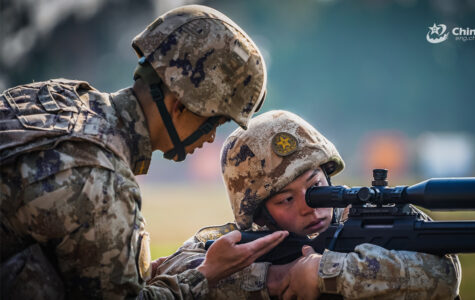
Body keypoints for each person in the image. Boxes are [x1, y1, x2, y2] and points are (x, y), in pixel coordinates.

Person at [0, 5, 288, 299]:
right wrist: (207, 273)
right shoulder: (102, 183)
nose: (212, 137)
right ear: (179, 105)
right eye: (214, 121)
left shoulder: (57, 97)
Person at [152, 110, 462, 299]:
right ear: (259, 212)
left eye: (315, 188)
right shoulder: (243, 244)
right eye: (286, 199)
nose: (309, 208)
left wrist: (324, 274)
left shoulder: (379, 221)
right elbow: (171, 270)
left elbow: (444, 276)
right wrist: (276, 277)